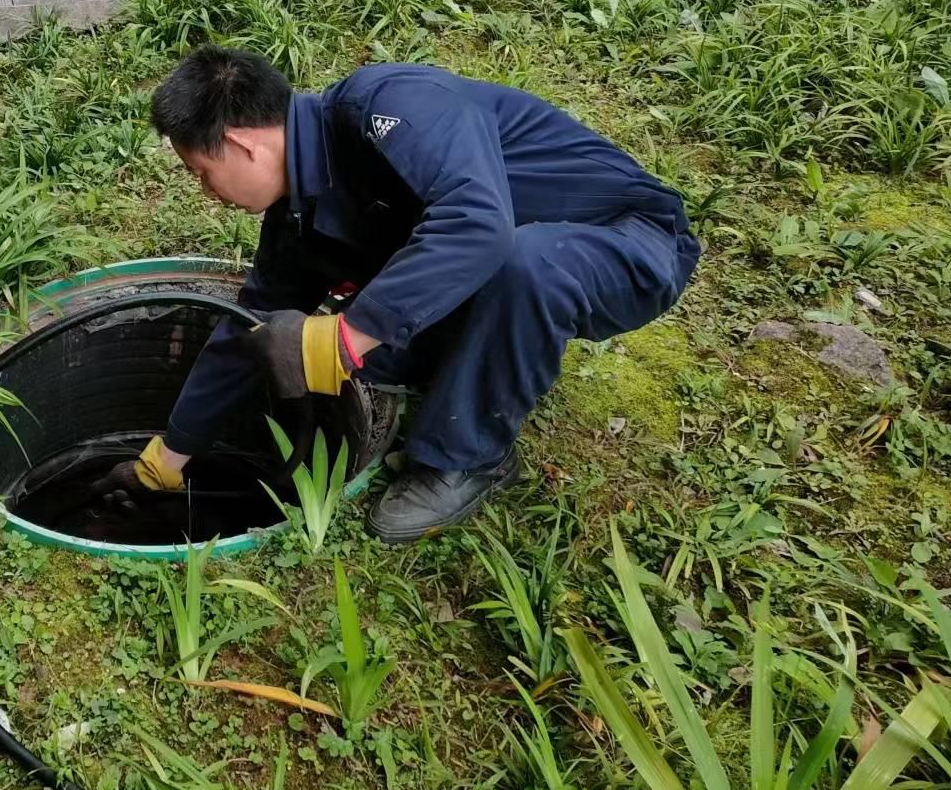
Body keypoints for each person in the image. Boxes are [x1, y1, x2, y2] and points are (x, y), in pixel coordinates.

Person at [96, 46, 701, 543]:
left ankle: (469, 457)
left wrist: (344, 337)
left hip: (625, 238)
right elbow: (245, 329)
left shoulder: (389, 104)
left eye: (203, 172)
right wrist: (168, 459)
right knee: (379, 353)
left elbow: (478, 225)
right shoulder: (296, 219)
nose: (206, 191)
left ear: (245, 144)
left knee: (519, 263)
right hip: (514, 257)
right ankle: (467, 361)